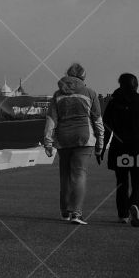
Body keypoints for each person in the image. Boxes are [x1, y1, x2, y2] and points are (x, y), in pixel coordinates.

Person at [42, 63, 104, 224]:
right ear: (83, 77)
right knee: (79, 175)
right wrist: (100, 144)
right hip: (84, 138)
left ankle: (65, 212)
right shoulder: (90, 93)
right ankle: (76, 213)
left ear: (68, 75)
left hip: (63, 139)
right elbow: (97, 121)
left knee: (65, 175)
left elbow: (51, 120)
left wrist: (48, 143)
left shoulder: (57, 95)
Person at [100, 73, 139, 227]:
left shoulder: (112, 104)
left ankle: (123, 215)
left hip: (119, 148)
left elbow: (107, 128)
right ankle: (135, 204)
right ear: (136, 86)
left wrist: (102, 148)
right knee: (138, 181)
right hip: (138, 148)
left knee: (122, 182)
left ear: (120, 85)